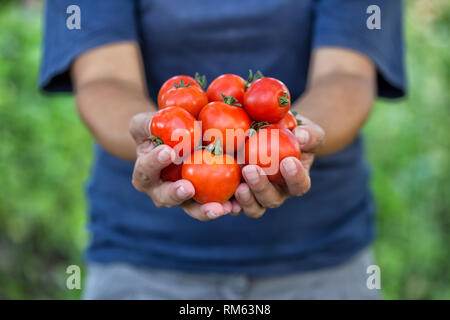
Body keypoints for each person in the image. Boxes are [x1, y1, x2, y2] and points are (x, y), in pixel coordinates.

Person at [39, 0, 405, 299]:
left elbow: (347, 74)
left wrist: (296, 138)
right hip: (142, 262)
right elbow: (104, 78)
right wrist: (152, 138)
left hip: (321, 259)